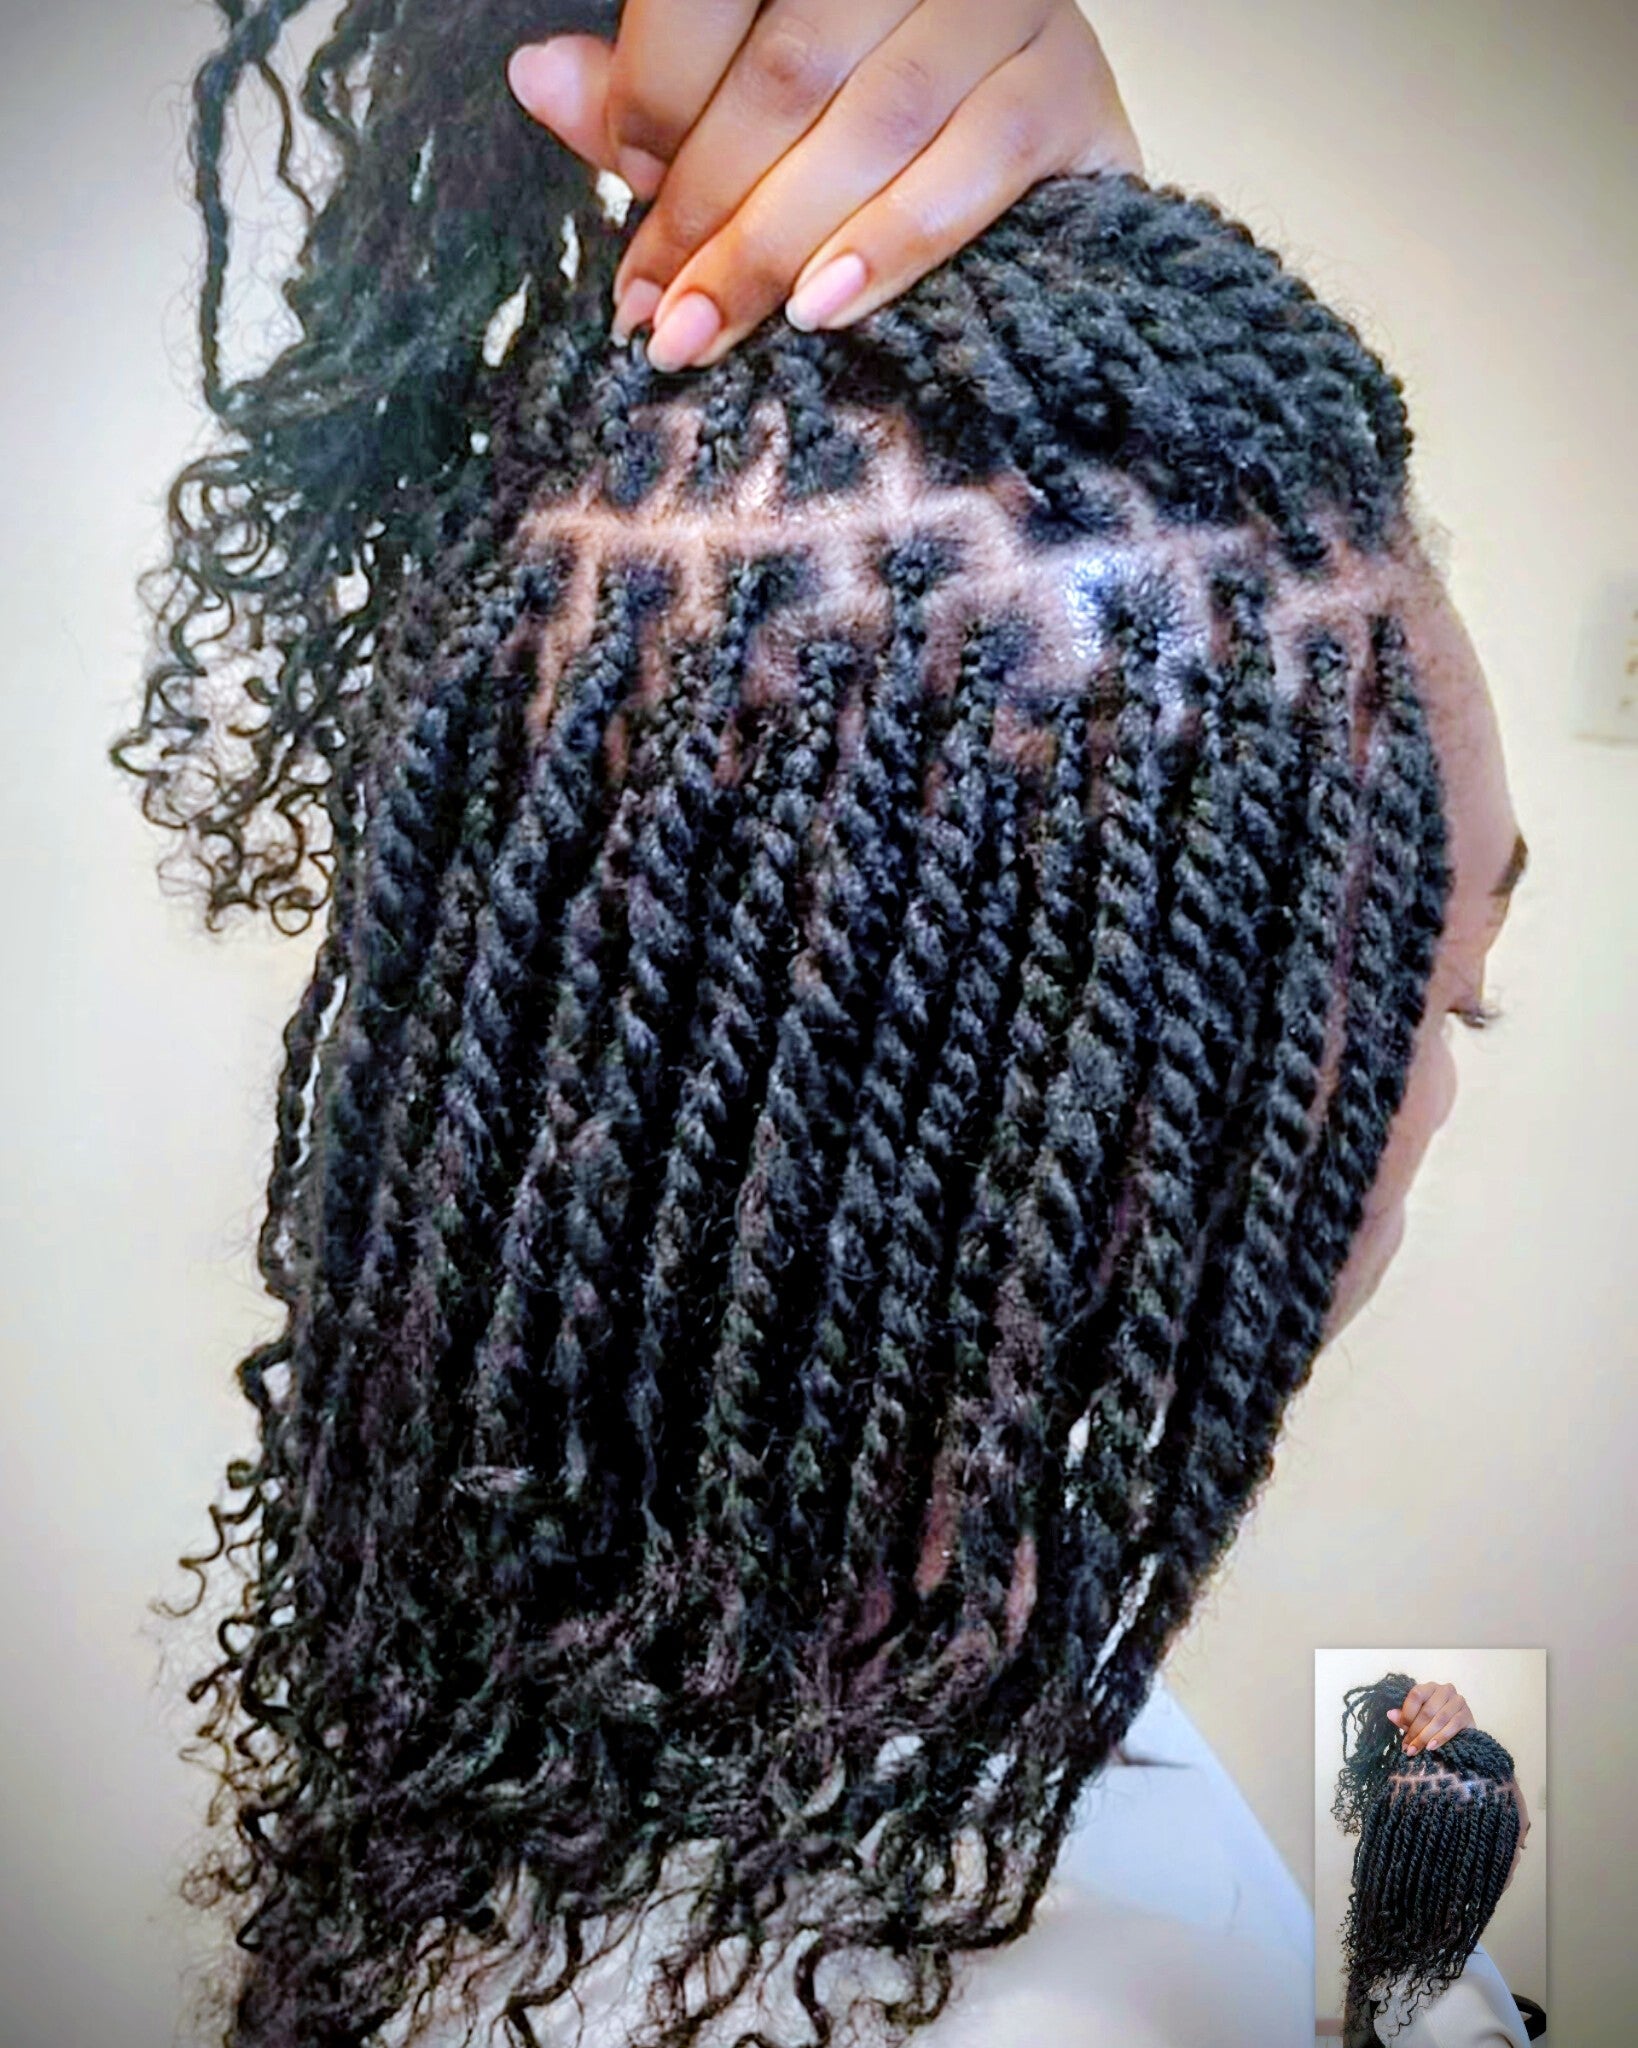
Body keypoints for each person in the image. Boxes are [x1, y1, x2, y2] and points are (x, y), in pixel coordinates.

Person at [112, 4, 1526, 2044]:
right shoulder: (1071, 2003)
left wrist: (1052, 340)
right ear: (1098, 1098)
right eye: (1428, 979)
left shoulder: (634, 1705)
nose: (1441, 1084)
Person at [1332, 1677, 1535, 2048]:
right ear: (1471, 1864)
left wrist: (1464, 1741)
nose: (1518, 1855)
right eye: (1517, 1843)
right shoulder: (1465, 2035)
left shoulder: (1395, 1936)